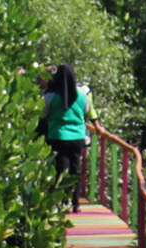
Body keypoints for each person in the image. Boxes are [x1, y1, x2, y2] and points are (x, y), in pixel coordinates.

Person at [38, 65, 91, 211]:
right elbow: (86, 110)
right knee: (75, 168)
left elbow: (43, 113)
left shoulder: (51, 96)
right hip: (78, 136)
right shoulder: (81, 94)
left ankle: (61, 201)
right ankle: (76, 202)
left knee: (61, 168)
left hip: (58, 136)